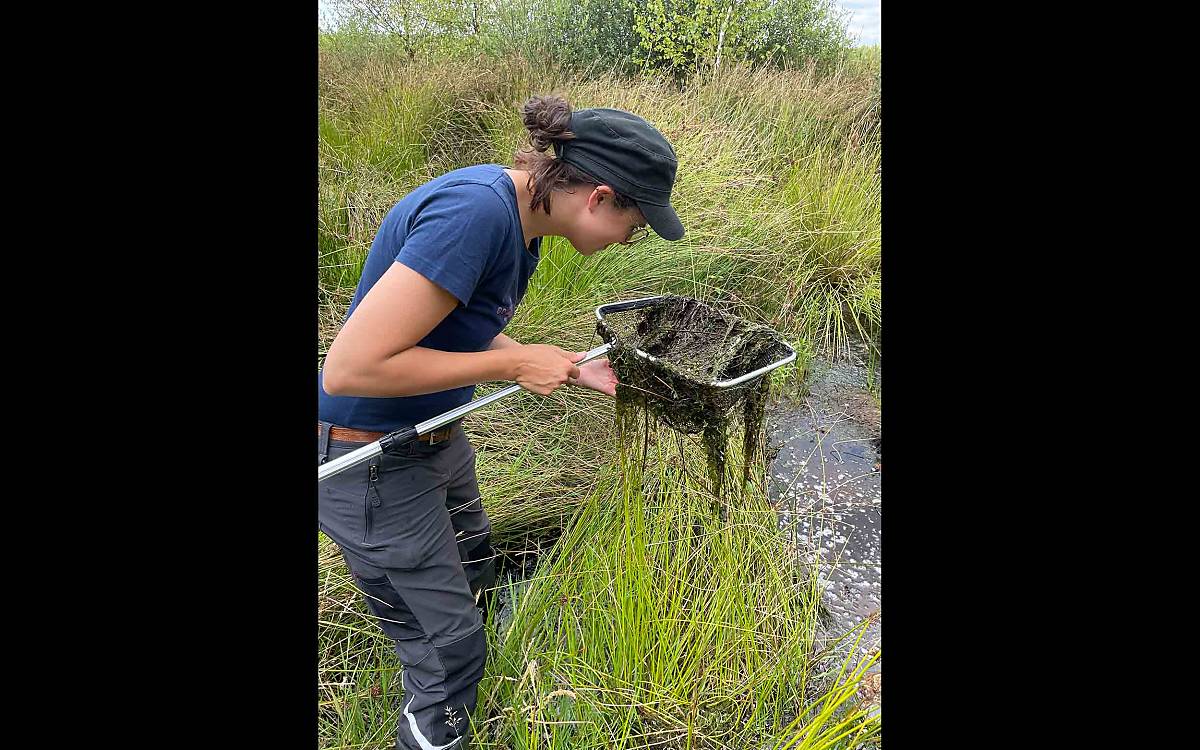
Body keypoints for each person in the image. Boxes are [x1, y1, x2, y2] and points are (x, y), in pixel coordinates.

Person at [317, 94, 684, 750]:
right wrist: (513, 366)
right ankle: (439, 725)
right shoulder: (475, 214)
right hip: (371, 462)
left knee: (475, 563)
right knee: (448, 651)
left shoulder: (524, 225)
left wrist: (558, 365)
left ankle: (471, 697)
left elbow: (452, 334)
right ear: (599, 198)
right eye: (634, 225)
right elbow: (350, 369)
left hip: (435, 439)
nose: (630, 241)